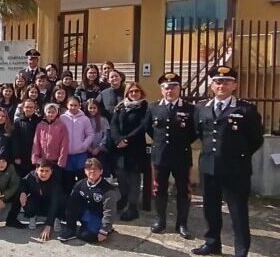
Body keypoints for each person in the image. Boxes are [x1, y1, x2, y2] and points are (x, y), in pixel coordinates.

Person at [191, 66, 264, 257]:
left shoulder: (246, 109)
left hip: (236, 169)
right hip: (209, 167)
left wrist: (237, 156)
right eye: (217, 82)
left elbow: (256, 139)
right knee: (210, 208)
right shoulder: (201, 108)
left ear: (234, 85)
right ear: (212, 85)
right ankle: (212, 243)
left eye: (226, 82)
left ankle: (241, 250)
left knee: (238, 211)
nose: (221, 85)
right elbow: (200, 133)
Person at [145, 72, 196, 239]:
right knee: (159, 189)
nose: (170, 90)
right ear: (161, 89)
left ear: (179, 88)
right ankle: (160, 220)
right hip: (160, 156)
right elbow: (149, 129)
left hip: (182, 156)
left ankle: (182, 223)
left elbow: (194, 132)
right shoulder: (153, 107)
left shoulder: (190, 108)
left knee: (183, 190)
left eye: (174, 87)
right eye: (166, 87)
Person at [110, 81, 149, 221]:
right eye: (131, 91)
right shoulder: (120, 107)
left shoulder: (145, 108)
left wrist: (126, 140)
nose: (134, 94)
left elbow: (142, 126)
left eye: (136, 91)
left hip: (135, 148)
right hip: (120, 149)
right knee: (121, 177)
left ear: (141, 93)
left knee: (134, 178)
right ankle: (124, 199)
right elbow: (113, 124)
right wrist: (117, 140)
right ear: (127, 93)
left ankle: (132, 207)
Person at [58, 158, 121, 243]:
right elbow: (72, 204)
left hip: (98, 216)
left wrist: (104, 230)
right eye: (89, 169)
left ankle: (106, 229)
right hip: (85, 213)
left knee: (87, 237)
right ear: (85, 171)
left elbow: (109, 211)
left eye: (95, 169)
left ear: (101, 171)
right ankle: (71, 230)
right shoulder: (80, 184)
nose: (92, 172)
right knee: (69, 201)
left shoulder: (108, 190)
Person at [9, 159, 65, 239]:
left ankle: (56, 218)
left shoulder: (56, 181)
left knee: (61, 201)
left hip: (51, 203)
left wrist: (48, 225)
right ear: (36, 170)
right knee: (23, 197)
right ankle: (32, 216)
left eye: (47, 171)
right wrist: (23, 192)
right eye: (41, 170)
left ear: (51, 171)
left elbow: (54, 203)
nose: (44, 173)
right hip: (37, 201)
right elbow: (23, 183)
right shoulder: (31, 176)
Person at [61, 97, 95, 194]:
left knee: (82, 178)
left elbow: (90, 134)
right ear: (67, 105)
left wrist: (84, 145)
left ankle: (82, 199)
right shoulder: (62, 118)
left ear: (79, 106)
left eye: (75, 105)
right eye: (71, 105)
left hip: (80, 154)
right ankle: (69, 201)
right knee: (68, 180)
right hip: (67, 155)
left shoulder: (84, 119)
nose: (73, 107)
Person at [31, 103, 69, 182]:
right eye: (49, 112)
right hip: (43, 160)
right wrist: (35, 158)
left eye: (53, 112)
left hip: (55, 161)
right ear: (45, 112)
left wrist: (61, 161)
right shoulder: (40, 125)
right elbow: (36, 143)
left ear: (57, 113)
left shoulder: (61, 126)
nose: (51, 114)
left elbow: (64, 144)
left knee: (55, 182)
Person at [12, 99, 41, 178]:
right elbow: (15, 140)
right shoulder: (18, 122)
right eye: (27, 107)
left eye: (31, 107)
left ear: (35, 109)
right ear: (23, 108)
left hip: (36, 154)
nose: (29, 109)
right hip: (22, 155)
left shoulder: (39, 121)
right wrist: (16, 156)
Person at [85, 99, 111, 179]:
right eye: (90, 108)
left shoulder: (103, 120)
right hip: (88, 149)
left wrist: (99, 147)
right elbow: (82, 135)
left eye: (94, 108)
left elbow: (106, 135)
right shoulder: (84, 120)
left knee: (99, 170)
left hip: (100, 150)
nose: (92, 110)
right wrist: (88, 147)